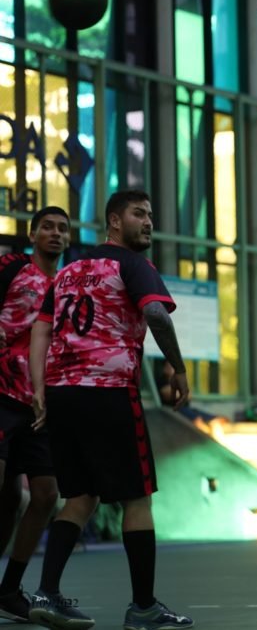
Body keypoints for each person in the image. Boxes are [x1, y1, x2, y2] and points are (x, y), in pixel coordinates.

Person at [27, 190, 194, 629]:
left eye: (150, 214)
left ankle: (46, 593)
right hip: (109, 392)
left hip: (63, 394)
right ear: (115, 222)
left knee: (80, 497)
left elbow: (41, 330)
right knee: (137, 498)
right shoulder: (133, 265)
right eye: (139, 214)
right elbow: (156, 315)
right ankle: (143, 608)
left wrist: (39, 387)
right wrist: (178, 368)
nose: (149, 222)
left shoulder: (68, 272)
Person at [0, 207, 69, 622]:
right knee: (5, 494)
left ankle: (9, 589)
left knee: (44, 495)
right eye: (47, 227)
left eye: (62, 229)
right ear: (33, 234)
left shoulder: (67, 285)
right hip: (1, 394)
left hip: (40, 403)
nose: (55, 234)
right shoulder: (12, 266)